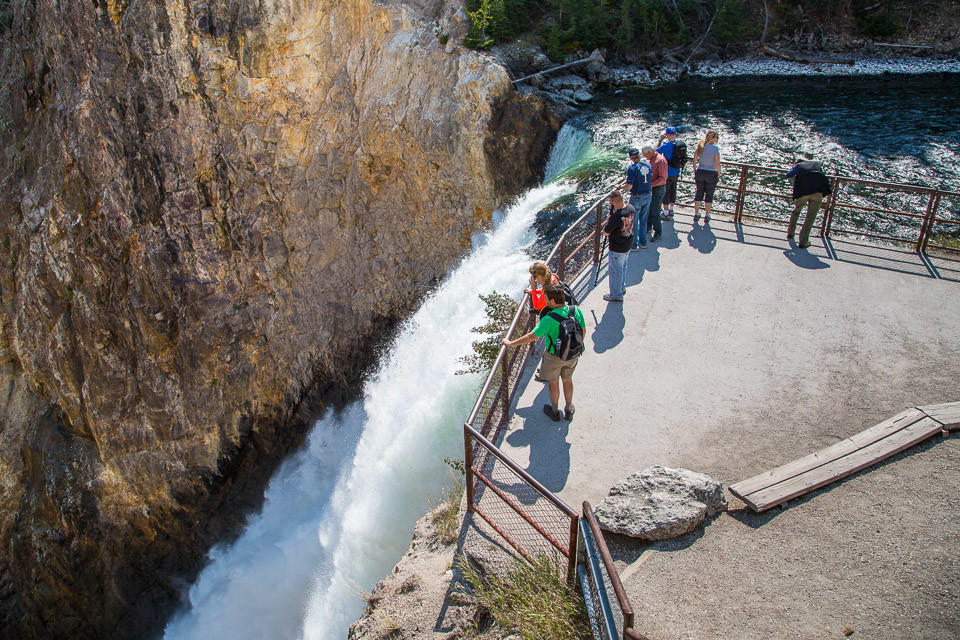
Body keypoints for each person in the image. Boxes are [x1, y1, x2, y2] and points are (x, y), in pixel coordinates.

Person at [502, 283, 586, 421]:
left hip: (554, 356)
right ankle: (569, 408)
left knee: (553, 382)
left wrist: (511, 343)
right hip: (572, 354)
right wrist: (576, 347)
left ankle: (554, 411)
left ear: (553, 301)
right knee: (567, 379)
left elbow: (531, 336)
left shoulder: (549, 319)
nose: (545, 301)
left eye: (546, 298)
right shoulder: (575, 310)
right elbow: (583, 331)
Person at [786, 150, 832, 249]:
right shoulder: (818, 165)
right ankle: (803, 241)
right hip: (817, 193)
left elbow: (788, 174)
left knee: (796, 211)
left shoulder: (800, 166)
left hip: (802, 193)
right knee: (810, 217)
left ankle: (790, 233)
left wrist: (795, 165)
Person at [601, 190, 634, 302]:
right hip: (628, 243)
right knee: (623, 267)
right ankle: (621, 286)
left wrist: (608, 220)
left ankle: (616, 294)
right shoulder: (631, 208)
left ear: (612, 202)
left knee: (615, 271)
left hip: (617, 247)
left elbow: (606, 232)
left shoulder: (616, 217)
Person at [620, 148, 651, 251]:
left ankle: (634, 245)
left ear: (630, 157)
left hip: (637, 196)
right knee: (643, 220)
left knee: (634, 221)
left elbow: (629, 186)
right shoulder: (648, 165)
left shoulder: (632, 168)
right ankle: (643, 243)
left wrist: (620, 187)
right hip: (648, 195)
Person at [692, 130, 722, 222]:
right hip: (711, 173)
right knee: (709, 195)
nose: (718, 139)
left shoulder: (701, 146)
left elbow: (695, 159)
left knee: (699, 192)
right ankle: (707, 215)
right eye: (717, 137)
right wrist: (719, 173)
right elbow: (717, 163)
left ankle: (696, 213)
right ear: (712, 138)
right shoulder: (715, 149)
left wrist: (695, 169)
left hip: (700, 171)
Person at [656, 126, 684, 220]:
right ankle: (671, 209)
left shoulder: (666, 146)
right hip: (677, 171)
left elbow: (655, 152)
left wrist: (660, 139)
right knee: (673, 191)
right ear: (675, 134)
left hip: (667, 172)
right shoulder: (680, 144)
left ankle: (666, 212)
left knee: (666, 192)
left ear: (667, 135)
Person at [643, 142, 667, 242]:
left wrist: (650, 184)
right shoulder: (651, 159)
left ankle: (658, 233)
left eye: (644, 153)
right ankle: (648, 227)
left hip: (658, 189)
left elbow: (663, 178)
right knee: (649, 208)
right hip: (652, 187)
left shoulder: (660, 161)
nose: (644, 156)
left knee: (655, 210)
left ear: (649, 152)